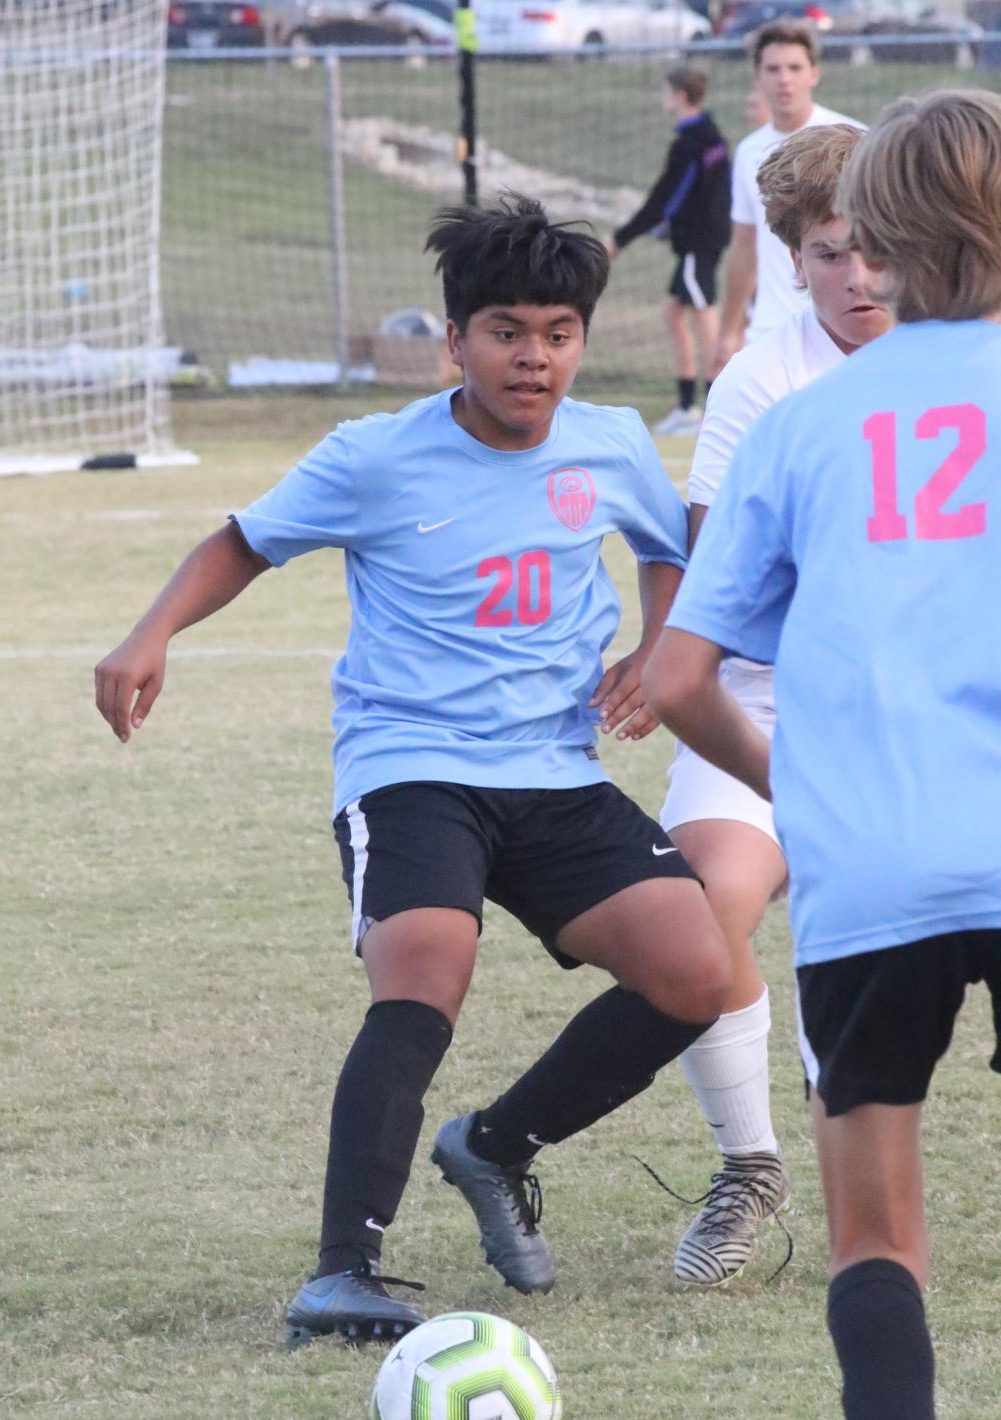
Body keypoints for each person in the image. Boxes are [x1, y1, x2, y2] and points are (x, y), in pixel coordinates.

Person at [94, 194, 731, 1345]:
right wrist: (149, 635)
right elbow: (241, 542)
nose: (529, 355)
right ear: (453, 342)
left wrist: (655, 648)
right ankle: (342, 1271)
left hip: (552, 767)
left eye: (554, 331)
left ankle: (493, 1145)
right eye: (502, 330)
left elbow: (669, 546)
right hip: (410, 764)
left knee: (697, 969)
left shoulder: (612, 443)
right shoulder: (375, 455)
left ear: (579, 341)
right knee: (425, 967)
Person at [644, 88, 1001, 1420]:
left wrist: (812, 782)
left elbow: (675, 680)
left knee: (874, 1233)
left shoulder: (805, 422)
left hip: (871, 871)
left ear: (886, 232)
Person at [662, 124, 891, 1287]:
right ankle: (747, 1167)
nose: (859, 278)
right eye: (830, 255)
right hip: (757, 709)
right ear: (792, 263)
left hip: (908, 721)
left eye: (876, 250)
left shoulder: (960, 358)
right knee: (700, 917)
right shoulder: (761, 383)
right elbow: (716, 594)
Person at [713, 21, 860, 373]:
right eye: (773, 69)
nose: (784, 79)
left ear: (814, 74)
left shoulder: (854, 141)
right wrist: (728, 331)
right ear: (758, 76)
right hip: (770, 329)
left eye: (795, 68)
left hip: (837, 329)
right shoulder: (749, 152)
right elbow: (744, 248)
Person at [607, 66, 731, 437]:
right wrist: (671, 226)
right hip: (699, 240)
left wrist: (619, 239)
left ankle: (717, 406)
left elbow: (663, 199)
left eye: (665, 92)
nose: (663, 99)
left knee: (705, 316)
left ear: (679, 96)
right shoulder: (710, 137)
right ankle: (687, 405)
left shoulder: (693, 142)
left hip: (700, 245)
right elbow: (688, 197)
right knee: (674, 313)